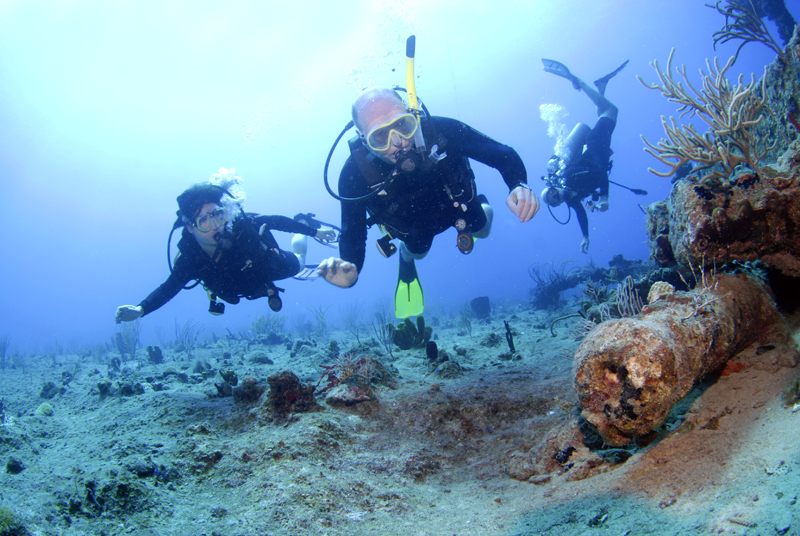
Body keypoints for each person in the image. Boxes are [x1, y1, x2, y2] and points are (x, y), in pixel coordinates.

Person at [318, 87, 539, 317]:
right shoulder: (355, 172)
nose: (399, 142)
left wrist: (519, 184)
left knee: (482, 229)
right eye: (380, 136)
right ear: (364, 138)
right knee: (418, 252)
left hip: (459, 205)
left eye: (403, 125)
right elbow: (353, 232)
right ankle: (406, 254)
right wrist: (351, 269)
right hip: (414, 228)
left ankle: (483, 205)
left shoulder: (440, 130)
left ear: (412, 114)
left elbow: (502, 153)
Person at [115, 170, 336, 323]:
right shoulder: (191, 259)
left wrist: (314, 232)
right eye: (204, 221)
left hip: (269, 266)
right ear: (190, 227)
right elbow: (169, 287)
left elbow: (275, 220)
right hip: (238, 288)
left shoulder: (239, 226)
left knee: (299, 260)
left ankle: (304, 222)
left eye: (218, 215)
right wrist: (141, 309)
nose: (216, 226)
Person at [539, 59, 628, 254]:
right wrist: (585, 236)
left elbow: (600, 173)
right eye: (555, 201)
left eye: (553, 193)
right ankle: (601, 87)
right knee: (604, 113)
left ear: (553, 187)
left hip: (596, 143)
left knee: (611, 111)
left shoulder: (570, 176)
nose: (557, 197)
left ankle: (578, 81)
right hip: (600, 149)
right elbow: (580, 214)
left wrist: (604, 198)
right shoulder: (572, 198)